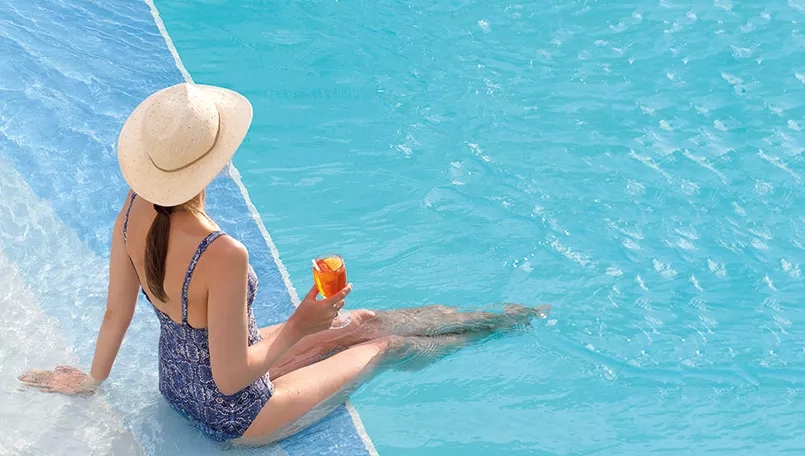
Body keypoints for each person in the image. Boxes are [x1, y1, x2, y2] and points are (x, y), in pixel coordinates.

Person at [18, 83, 550, 445]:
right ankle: (502, 326)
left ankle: (494, 320)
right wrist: (302, 324)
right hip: (236, 415)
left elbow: (117, 312)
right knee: (384, 344)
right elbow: (229, 379)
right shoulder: (221, 253)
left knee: (361, 322)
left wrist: (92, 379)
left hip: (177, 385)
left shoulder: (135, 208)